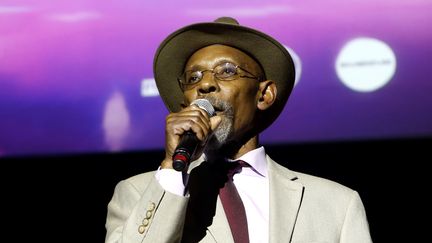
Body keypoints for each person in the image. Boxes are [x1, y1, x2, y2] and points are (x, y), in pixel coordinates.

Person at [105, 17, 372, 243]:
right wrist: (173, 171)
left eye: (227, 71)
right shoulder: (139, 192)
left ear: (264, 95)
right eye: (193, 78)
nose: (206, 85)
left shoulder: (336, 204)